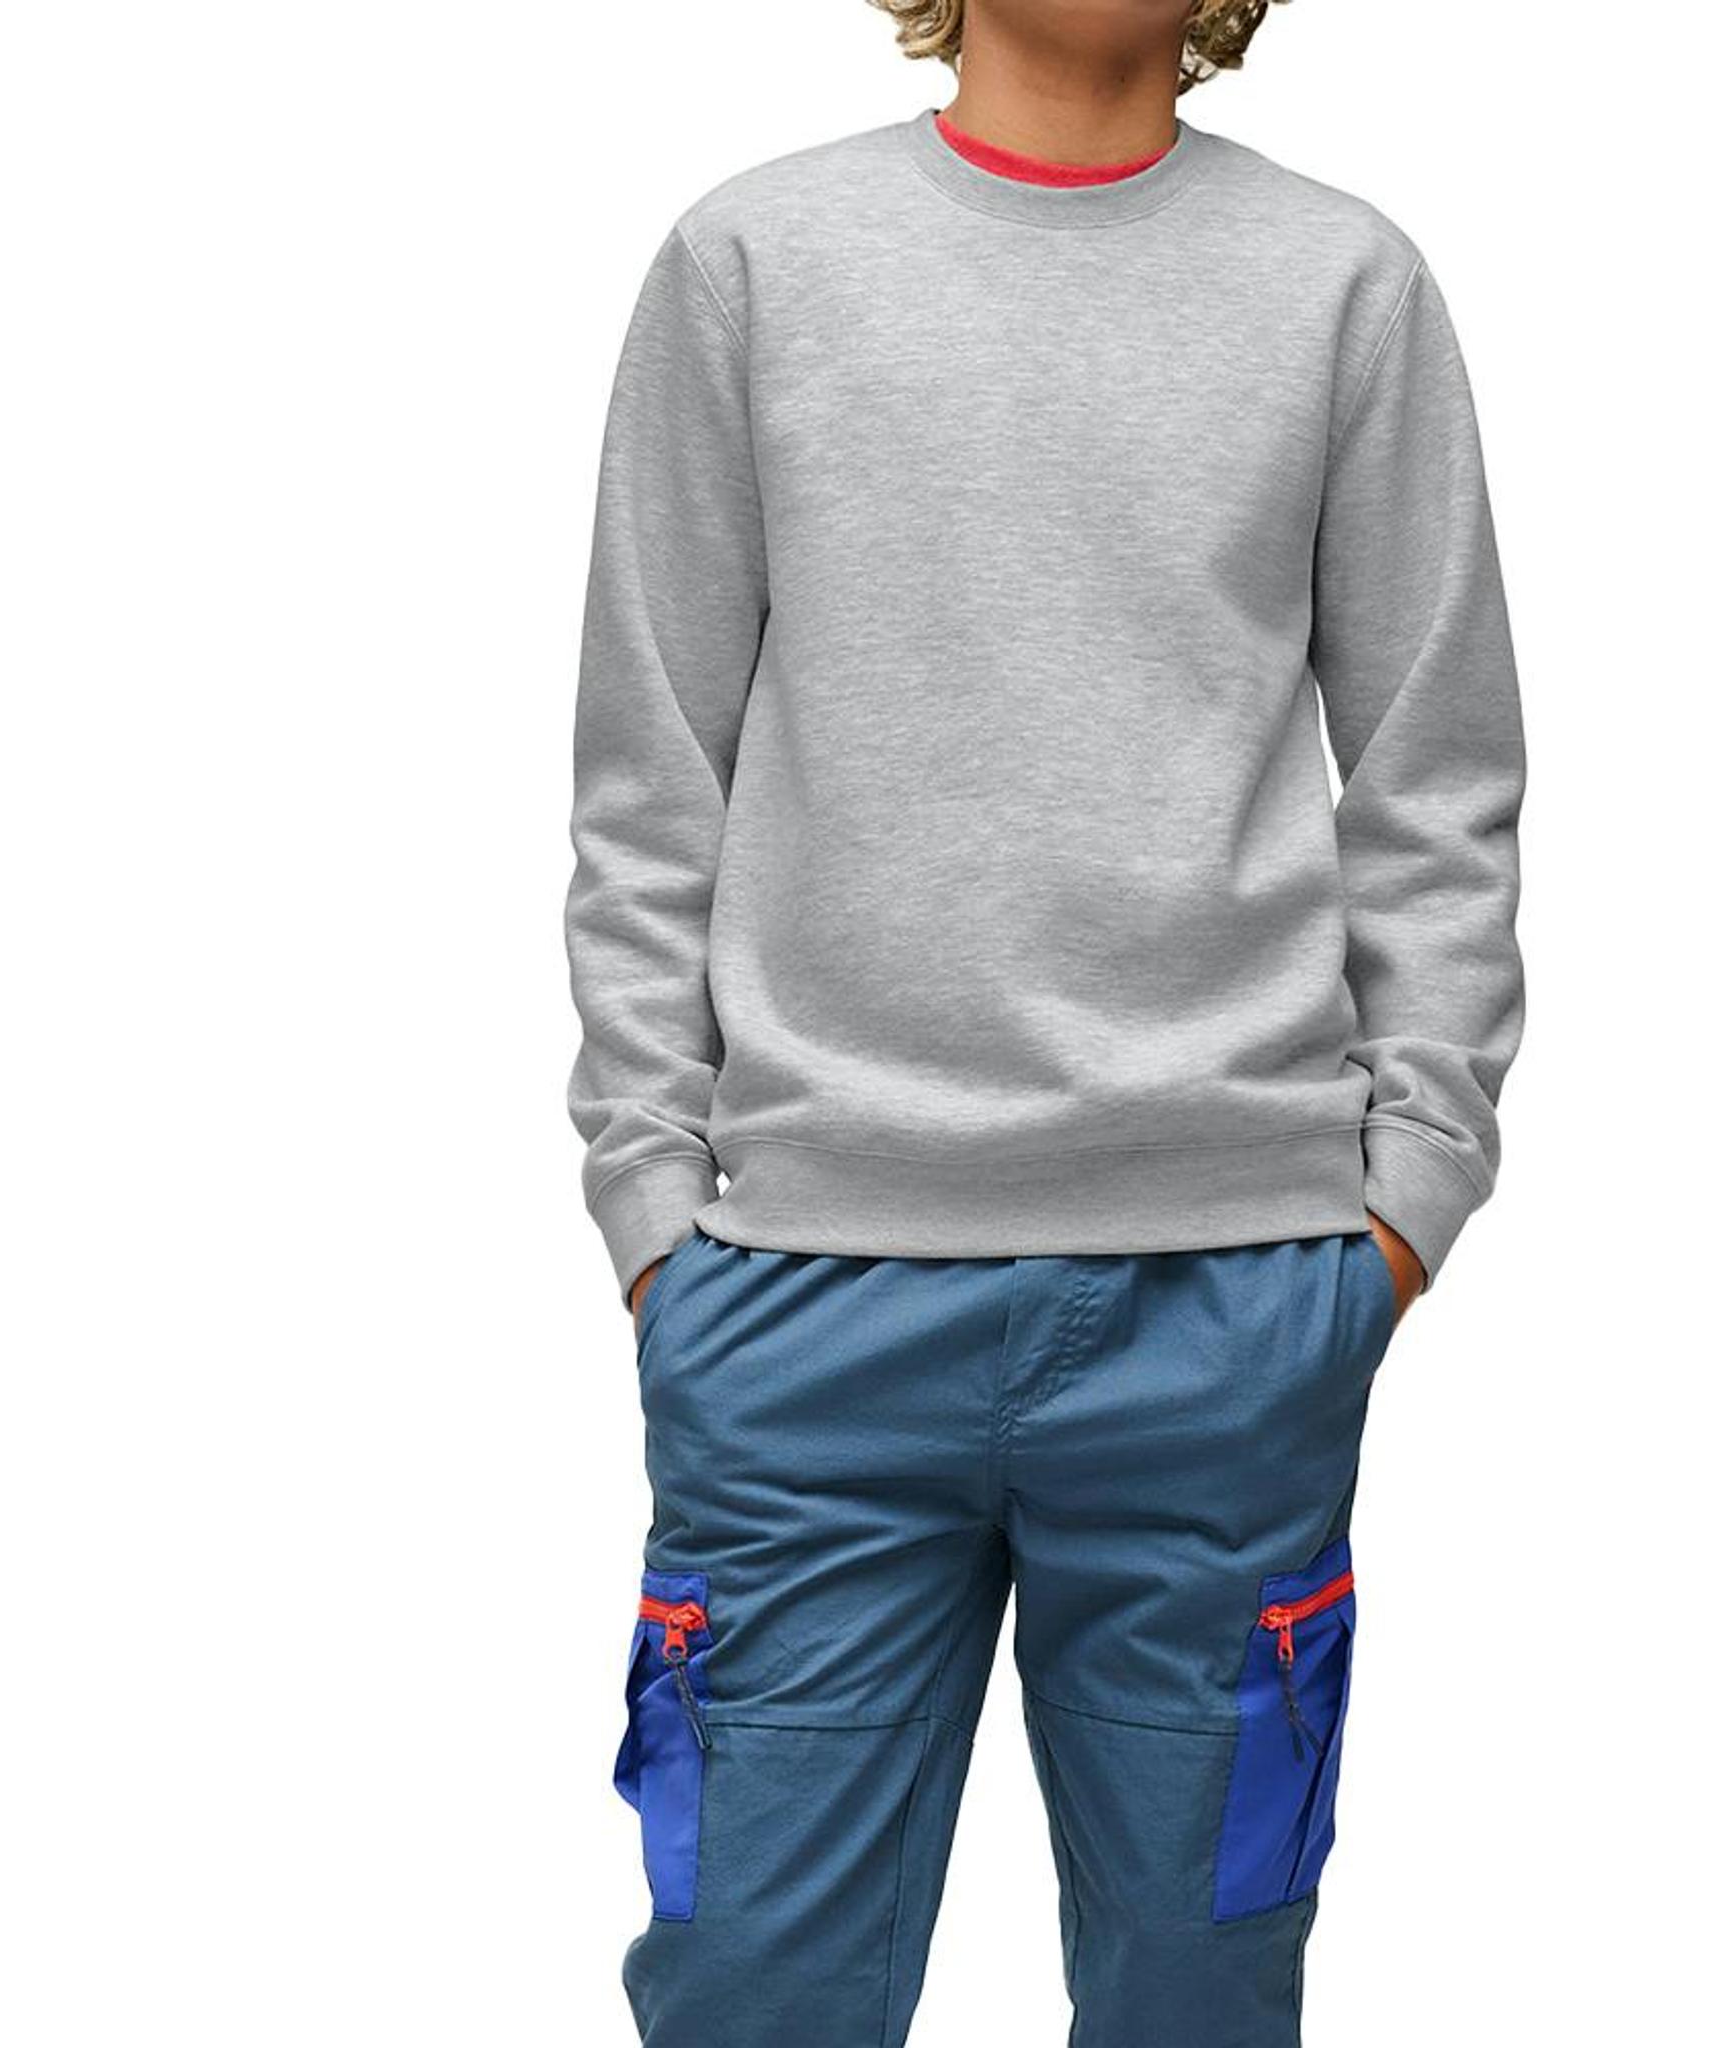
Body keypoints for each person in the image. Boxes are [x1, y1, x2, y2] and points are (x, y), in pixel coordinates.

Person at [565, 2, 1524, 2040]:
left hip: (1232, 1307)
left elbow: (1436, 778)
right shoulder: (753, 261)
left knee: (1197, 2002)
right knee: (753, 1997)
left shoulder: (1345, 284)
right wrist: (656, 1215)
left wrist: (1404, 1203)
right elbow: (652, 778)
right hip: (803, 1308)